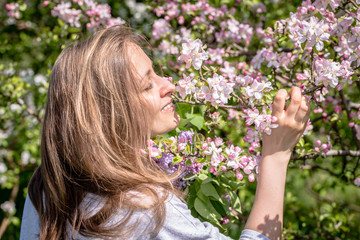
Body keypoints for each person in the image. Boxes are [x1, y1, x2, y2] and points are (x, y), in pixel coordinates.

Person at [20, 26, 310, 240]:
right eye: (147, 85)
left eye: (156, 73)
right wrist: (275, 155)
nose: (169, 84)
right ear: (112, 113)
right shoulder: (145, 207)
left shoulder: (47, 188)